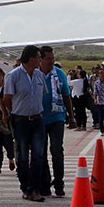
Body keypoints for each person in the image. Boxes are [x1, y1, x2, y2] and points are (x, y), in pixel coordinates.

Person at [3, 45, 46, 202]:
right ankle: (25, 187)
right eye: (38, 58)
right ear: (31, 58)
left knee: (38, 155)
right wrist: (12, 113)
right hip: (20, 120)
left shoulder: (39, 76)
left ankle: (34, 188)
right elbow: (6, 98)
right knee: (22, 156)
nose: (40, 61)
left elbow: (43, 95)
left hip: (37, 119)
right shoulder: (13, 76)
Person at [39, 46, 76, 197]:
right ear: (40, 60)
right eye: (48, 59)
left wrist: (71, 117)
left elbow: (66, 95)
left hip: (57, 117)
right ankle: (45, 183)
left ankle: (59, 182)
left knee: (56, 150)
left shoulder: (59, 74)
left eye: (53, 58)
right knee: (41, 153)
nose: (51, 61)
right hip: (39, 118)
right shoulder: (35, 74)